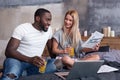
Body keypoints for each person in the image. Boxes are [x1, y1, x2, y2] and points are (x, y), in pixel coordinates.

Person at [1, 8, 56, 80]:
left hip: (35, 64)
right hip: (17, 61)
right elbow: (9, 51)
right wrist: (30, 59)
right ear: (38, 18)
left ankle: (21, 73)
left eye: (50, 20)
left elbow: (51, 51)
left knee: (54, 65)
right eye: (47, 20)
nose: (49, 23)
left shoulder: (49, 30)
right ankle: (15, 73)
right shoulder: (23, 28)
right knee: (11, 76)